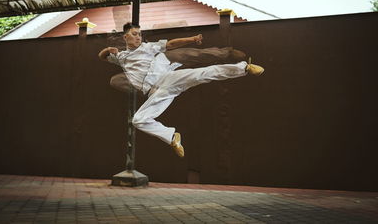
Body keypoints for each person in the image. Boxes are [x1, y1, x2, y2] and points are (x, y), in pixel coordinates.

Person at [98, 22, 264, 158]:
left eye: (140, 34)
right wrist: (108, 50)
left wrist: (191, 39)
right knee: (138, 120)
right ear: (125, 36)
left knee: (201, 74)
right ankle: (171, 137)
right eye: (134, 34)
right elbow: (101, 56)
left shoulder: (148, 47)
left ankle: (245, 68)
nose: (138, 37)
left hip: (167, 78)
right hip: (156, 93)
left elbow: (171, 44)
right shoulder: (121, 57)